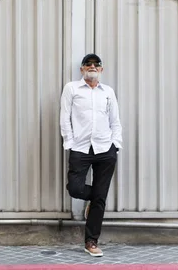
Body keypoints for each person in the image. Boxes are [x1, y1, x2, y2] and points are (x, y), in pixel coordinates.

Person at [59, 53, 122, 257]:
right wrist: (70, 142)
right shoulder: (72, 89)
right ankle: (94, 199)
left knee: (100, 199)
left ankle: (91, 242)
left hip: (105, 149)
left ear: (101, 70)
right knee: (75, 188)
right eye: (88, 64)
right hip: (81, 148)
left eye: (96, 65)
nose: (92, 67)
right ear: (82, 69)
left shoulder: (108, 92)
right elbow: (64, 117)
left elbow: (115, 121)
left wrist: (116, 146)